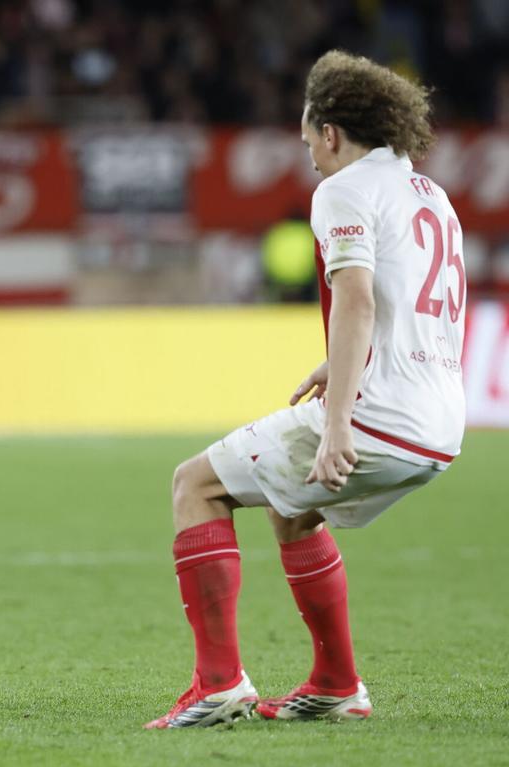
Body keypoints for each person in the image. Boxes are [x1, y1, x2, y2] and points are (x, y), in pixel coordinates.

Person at [147, 50, 466, 729]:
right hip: (440, 422)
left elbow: (355, 300)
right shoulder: (429, 195)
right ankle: (336, 683)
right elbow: (414, 309)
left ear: (329, 132)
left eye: (308, 142)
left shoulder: (343, 190)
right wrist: (342, 369)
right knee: (291, 508)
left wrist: (341, 420)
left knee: (194, 485)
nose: (310, 159)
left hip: (378, 416)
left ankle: (217, 684)